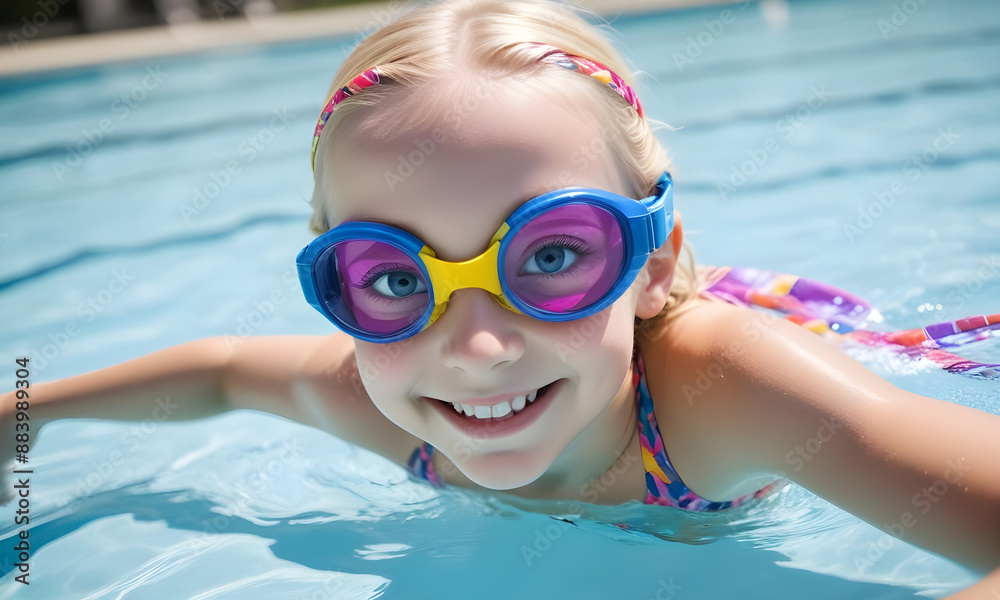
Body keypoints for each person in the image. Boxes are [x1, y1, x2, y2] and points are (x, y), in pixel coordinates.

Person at [3, 0, 998, 592]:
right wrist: (23, 416)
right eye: (393, 277)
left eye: (552, 253)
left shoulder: (726, 384)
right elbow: (221, 373)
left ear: (652, 263)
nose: (473, 349)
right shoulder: (384, 388)